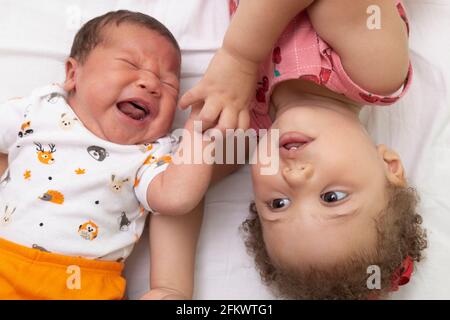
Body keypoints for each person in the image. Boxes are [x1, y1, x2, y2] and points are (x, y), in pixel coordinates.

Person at [180, 0, 427, 299]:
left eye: (278, 204)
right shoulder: (375, 70)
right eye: (332, 197)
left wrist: (170, 287)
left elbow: (178, 193)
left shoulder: (246, 122)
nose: (294, 178)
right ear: (389, 166)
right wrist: (239, 57)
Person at [0, 10, 212, 300]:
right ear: (74, 74)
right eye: (130, 64)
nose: (151, 84)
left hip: (87, 286)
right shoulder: (39, 108)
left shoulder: (150, 154)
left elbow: (176, 198)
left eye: (168, 84)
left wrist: (199, 133)